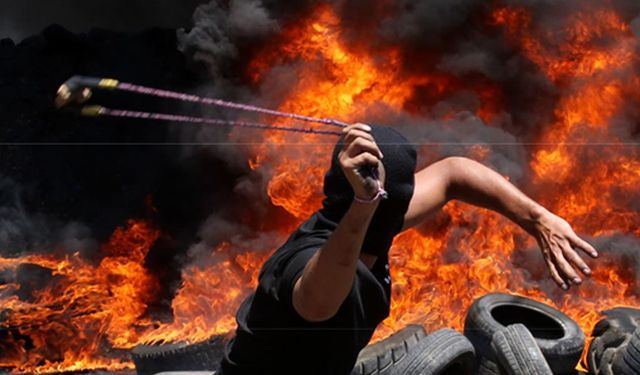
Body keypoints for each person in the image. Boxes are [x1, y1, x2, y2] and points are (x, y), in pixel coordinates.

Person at [219, 123, 598, 375]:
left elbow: (453, 173)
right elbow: (316, 302)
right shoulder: (310, 262)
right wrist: (366, 205)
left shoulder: (369, 226)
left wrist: (539, 219)